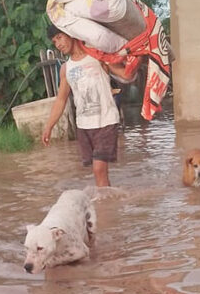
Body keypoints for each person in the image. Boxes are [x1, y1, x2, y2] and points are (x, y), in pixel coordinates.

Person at [41, 25, 133, 187]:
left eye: (60, 37)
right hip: (84, 126)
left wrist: (137, 57)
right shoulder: (65, 69)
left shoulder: (98, 57)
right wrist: (49, 126)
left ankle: (105, 209)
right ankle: (107, 204)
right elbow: (61, 100)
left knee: (99, 169)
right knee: (98, 172)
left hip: (106, 120)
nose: (58, 44)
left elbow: (125, 74)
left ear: (71, 34)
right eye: (54, 41)